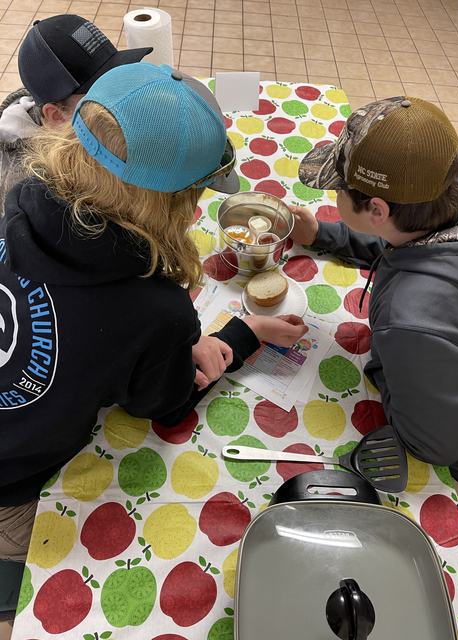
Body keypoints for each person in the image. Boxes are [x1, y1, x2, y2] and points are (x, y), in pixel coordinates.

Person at [0, 62, 307, 561]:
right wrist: (242, 332)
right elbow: (162, 403)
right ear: (181, 204)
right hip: (10, 491)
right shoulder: (154, 309)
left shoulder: (17, 198)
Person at [292, 96, 458, 488]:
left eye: (338, 189)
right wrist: (322, 235)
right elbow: (411, 239)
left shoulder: (411, 319)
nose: (334, 197)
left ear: (377, 209)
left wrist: (386, 365)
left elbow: (435, 444)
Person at [0, 13, 153, 215]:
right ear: (56, 115)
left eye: (114, 77)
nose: (117, 96)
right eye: (100, 93)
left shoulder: (60, 106)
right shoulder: (29, 190)